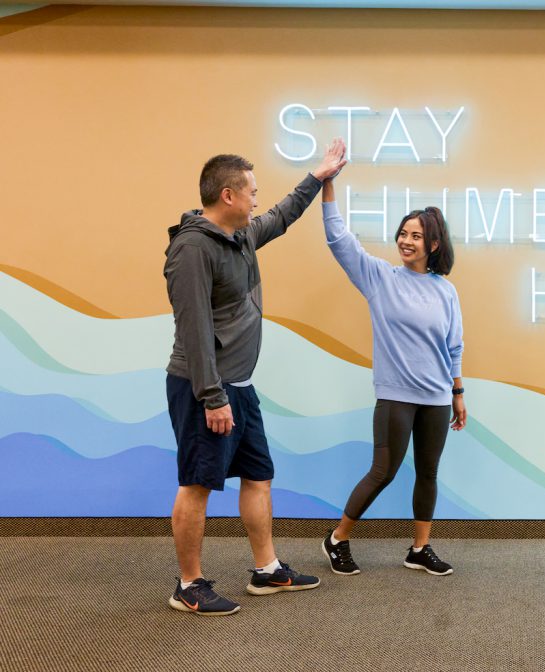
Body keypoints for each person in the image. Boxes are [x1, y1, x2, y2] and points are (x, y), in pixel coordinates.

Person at [164, 139, 346, 616]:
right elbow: (194, 330)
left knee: (259, 475)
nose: (257, 200)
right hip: (205, 388)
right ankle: (188, 584)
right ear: (228, 195)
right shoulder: (192, 249)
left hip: (239, 386)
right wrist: (212, 396)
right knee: (197, 483)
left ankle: (267, 569)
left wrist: (319, 175)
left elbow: (283, 215)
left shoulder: (240, 235)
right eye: (252, 191)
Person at [320, 151, 467, 577]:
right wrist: (328, 183)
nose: (406, 241)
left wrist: (457, 393)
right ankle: (337, 538)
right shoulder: (380, 279)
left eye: (416, 236)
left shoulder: (446, 291)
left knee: (428, 473)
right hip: (396, 395)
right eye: (403, 233)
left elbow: (454, 346)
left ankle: (419, 548)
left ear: (433, 245)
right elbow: (339, 239)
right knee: (383, 471)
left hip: (436, 396)